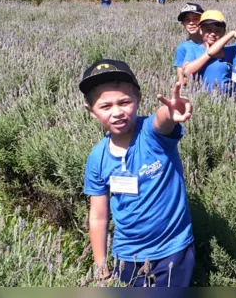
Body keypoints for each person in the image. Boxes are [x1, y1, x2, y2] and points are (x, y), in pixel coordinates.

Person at [80, 59, 196, 287]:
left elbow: (162, 120)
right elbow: (98, 215)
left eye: (125, 102)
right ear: (91, 111)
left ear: (138, 99)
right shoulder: (97, 158)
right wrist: (101, 266)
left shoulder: (151, 135)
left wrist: (171, 112)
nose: (117, 112)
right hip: (127, 256)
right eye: (105, 106)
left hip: (172, 250)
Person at [182, 10, 236, 94]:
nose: (213, 34)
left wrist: (233, 34)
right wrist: (209, 54)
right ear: (201, 30)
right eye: (208, 30)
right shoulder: (194, 50)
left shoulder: (231, 50)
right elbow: (187, 71)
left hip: (227, 101)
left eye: (218, 31)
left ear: (224, 32)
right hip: (201, 99)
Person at [174, 2, 205, 85]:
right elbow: (180, 77)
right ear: (183, 24)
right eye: (187, 20)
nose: (191, 23)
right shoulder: (182, 47)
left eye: (195, 19)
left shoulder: (210, 43)